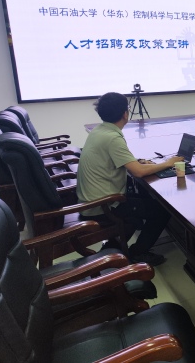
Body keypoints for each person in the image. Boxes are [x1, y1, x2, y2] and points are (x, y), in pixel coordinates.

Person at [76, 92, 184, 266]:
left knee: (144, 199)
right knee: (161, 210)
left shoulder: (99, 130)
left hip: (93, 199)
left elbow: (121, 161)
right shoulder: (113, 138)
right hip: (103, 205)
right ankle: (138, 253)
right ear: (125, 114)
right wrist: (168, 163)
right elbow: (139, 172)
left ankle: (115, 246)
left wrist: (137, 162)